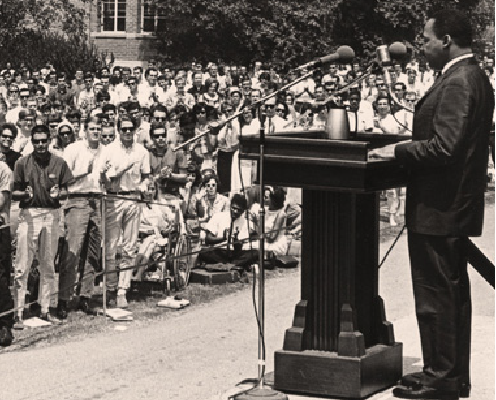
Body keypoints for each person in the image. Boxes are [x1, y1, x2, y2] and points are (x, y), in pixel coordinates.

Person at [370, 10, 495, 400]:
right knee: (450, 296)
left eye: (426, 40)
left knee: (436, 295)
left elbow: (444, 147)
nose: (422, 47)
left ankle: (441, 378)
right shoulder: (468, 76)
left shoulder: (459, 81)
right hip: (449, 206)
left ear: (446, 40)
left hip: (441, 207)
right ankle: (448, 374)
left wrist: (399, 151)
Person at [12, 125, 73, 326]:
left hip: (51, 214)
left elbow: (65, 191)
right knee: (23, 265)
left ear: (49, 140)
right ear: (32, 142)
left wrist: (59, 194)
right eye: (36, 141)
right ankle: (18, 312)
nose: (40, 145)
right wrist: (25, 195)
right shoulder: (22, 163)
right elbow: (14, 193)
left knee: (47, 264)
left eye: (43, 141)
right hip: (29, 214)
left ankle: (45, 308)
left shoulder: (59, 162)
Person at [96, 116, 150, 309]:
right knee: (111, 246)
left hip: (133, 198)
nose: (127, 132)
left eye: (130, 129)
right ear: (119, 131)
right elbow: (101, 177)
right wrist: (112, 173)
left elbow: (145, 176)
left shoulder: (142, 151)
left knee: (129, 246)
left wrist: (144, 187)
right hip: (114, 198)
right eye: (124, 129)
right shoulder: (109, 150)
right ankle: (110, 287)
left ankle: (122, 289)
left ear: (135, 130)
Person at [57, 116, 104, 318]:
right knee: (72, 251)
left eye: (98, 128)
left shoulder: (105, 150)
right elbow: (63, 178)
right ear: (85, 130)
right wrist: (86, 171)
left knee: (93, 252)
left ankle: (85, 296)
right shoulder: (74, 149)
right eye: (92, 128)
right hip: (76, 200)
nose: (95, 131)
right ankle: (63, 299)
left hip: (98, 201)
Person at [198, 193, 258, 271]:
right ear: (230, 206)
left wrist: (237, 242)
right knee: (203, 252)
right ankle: (234, 265)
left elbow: (240, 248)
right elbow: (207, 239)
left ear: (243, 211)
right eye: (233, 208)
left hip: (235, 254)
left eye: (239, 210)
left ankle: (228, 265)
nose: (235, 211)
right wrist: (222, 239)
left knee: (255, 254)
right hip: (220, 251)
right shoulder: (218, 216)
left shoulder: (246, 223)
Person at [0, 160, 13, 346]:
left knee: (1, 277)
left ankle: (4, 324)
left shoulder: (2, 168)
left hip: (0, 227)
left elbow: (1, 200)